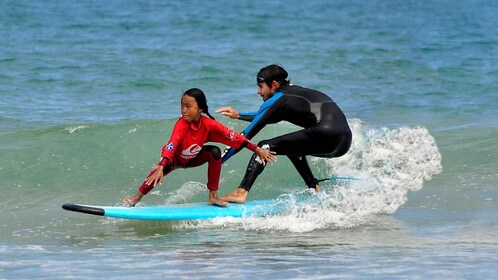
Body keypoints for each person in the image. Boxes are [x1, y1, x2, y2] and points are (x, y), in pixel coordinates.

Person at [216, 64, 352, 203]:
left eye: (261, 86)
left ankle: (241, 192)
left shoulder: (278, 99)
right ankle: (314, 187)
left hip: (325, 135)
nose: (258, 91)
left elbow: (244, 137)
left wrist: (218, 161)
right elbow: (266, 115)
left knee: (264, 147)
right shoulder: (293, 92)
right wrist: (239, 115)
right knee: (292, 147)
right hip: (343, 142)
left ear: (274, 84)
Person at [123, 88, 276, 207]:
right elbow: (172, 143)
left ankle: (213, 196)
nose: (184, 110)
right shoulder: (181, 125)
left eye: (188, 106)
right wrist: (162, 164)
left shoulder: (208, 125)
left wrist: (257, 150)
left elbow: (235, 137)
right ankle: (136, 198)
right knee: (157, 172)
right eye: (182, 106)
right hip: (174, 159)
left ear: (200, 108)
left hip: (194, 158)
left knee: (214, 152)